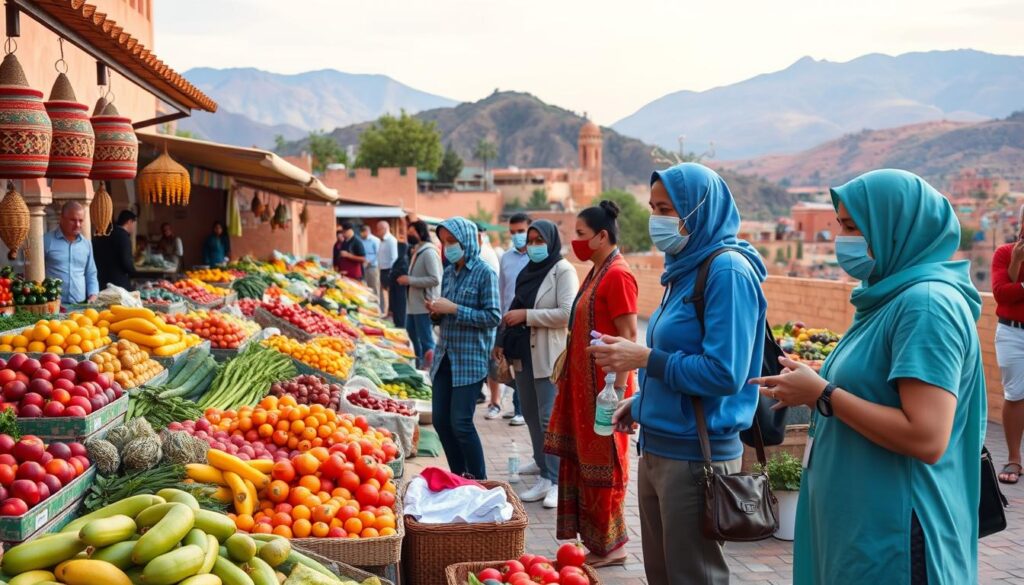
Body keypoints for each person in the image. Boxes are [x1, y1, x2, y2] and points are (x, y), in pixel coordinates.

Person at [749, 170, 984, 585]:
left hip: (896, 534)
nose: (842, 239)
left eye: (853, 227)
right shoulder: (888, 296)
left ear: (895, 227)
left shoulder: (926, 306)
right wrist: (818, 379)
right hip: (864, 524)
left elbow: (927, 437)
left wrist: (823, 393)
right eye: (840, 225)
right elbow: (883, 383)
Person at [592, 164, 767, 584]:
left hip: (696, 457)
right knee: (665, 575)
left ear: (700, 209)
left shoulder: (726, 271)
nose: (658, 219)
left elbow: (725, 373)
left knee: (694, 576)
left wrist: (645, 359)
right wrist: (644, 401)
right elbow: (680, 355)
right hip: (660, 447)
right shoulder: (684, 266)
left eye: (667, 208)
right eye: (653, 207)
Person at [544, 200, 638, 567]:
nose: (575, 242)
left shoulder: (618, 275)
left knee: (606, 469)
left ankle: (611, 546)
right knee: (587, 467)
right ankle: (596, 543)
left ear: (602, 236)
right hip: (587, 393)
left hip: (605, 394)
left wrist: (616, 395)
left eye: (581, 235)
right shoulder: (597, 271)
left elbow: (630, 335)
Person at [501, 219, 578, 509]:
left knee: (549, 419)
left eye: (538, 240)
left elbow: (567, 313)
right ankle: (544, 472)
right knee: (532, 416)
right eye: (529, 240)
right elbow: (513, 307)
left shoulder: (563, 270)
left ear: (551, 241)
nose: (532, 245)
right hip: (523, 353)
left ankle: (558, 480)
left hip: (548, 354)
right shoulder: (527, 271)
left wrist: (528, 316)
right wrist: (502, 339)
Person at [427, 217, 501, 479]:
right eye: (444, 242)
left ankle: (479, 479)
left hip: (469, 360)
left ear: (467, 241)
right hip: (445, 356)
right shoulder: (448, 272)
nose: (447, 248)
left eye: (452, 242)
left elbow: (493, 316)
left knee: (461, 423)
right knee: (441, 422)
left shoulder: (484, 273)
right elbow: (444, 313)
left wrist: (456, 309)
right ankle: (458, 475)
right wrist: (436, 312)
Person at [993, 206, 1024, 483]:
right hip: (1012, 333)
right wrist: (1016, 262)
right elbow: (1002, 294)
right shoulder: (1004, 253)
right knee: (1015, 394)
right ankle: (1014, 459)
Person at [493, 212, 532, 425]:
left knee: (523, 367)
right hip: (508, 320)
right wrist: (500, 325)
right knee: (509, 367)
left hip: (528, 321)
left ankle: (521, 409)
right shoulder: (506, 258)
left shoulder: (536, 258)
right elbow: (502, 290)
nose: (517, 236)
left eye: (521, 231)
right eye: (513, 232)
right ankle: (519, 406)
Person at [397, 220, 441, 368]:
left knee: (426, 341)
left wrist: (410, 280)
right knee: (412, 336)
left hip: (423, 305)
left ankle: (432, 369)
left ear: (420, 233)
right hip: (413, 305)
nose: (409, 236)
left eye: (411, 233)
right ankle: (419, 365)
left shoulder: (429, 252)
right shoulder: (418, 250)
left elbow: (435, 279)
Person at [44, 201, 98, 304]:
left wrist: (93, 295)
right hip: (54, 305)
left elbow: (91, 273)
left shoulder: (86, 244)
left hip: (81, 305)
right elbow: (36, 273)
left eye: (81, 221)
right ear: (62, 218)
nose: (77, 224)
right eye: (73, 220)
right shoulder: (46, 241)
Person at [94, 210, 138, 290]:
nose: (134, 228)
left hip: (102, 280)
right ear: (130, 222)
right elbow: (126, 261)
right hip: (118, 282)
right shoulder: (123, 237)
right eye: (134, 224)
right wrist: (134, 273)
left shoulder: (106, 233)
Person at [376, 220, 399, 314]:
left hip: (389, 270)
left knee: (390, 293)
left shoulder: (391, 241)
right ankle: (385, 310)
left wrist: (391, 273)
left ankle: (391, 311)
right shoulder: (381, 241)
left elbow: (394, 258)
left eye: (378, 230)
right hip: (382, 269)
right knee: (383, 292)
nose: (377, 232)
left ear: (384, 229)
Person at [360, 224, 382, 305]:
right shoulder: (361, 240)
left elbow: (378, 254)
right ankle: (369, 303)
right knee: (365, 286)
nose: (362, 235)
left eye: (363, 233)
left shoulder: (375, 240)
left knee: (374, 285)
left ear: (367, 232)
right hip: (363, 266)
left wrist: (370, 262)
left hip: (373, 266)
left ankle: (376, 303)